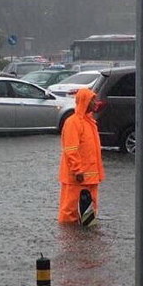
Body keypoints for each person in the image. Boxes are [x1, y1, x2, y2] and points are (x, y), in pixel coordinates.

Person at [58, 87, 105, 224]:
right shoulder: (73, 123)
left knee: (88, 213)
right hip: (77, 177)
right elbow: (71, 150)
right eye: (92, 100)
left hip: (90, 178)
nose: (95, 103)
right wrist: (77, 170)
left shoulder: (90, 123)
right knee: (70, 210)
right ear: (85, 102)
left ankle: (84, 238)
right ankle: (69, 238)